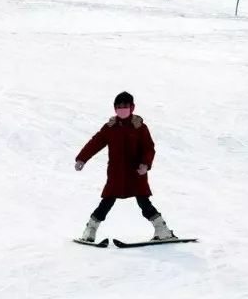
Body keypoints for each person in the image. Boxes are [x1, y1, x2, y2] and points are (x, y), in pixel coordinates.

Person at [75, 91, 178, 243]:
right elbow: (95, 143)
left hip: (136, 172)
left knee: (143, 202)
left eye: (125, 106)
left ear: (132, 107)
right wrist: (82, 158)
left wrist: (145, 164)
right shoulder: (110, 127)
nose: (121, 109)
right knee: (107, 202)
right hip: (116, 173)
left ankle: (162, 230)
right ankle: (90, 231)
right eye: (118, 107)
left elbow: (149, 148)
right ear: (114, 108)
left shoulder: (140, 127)